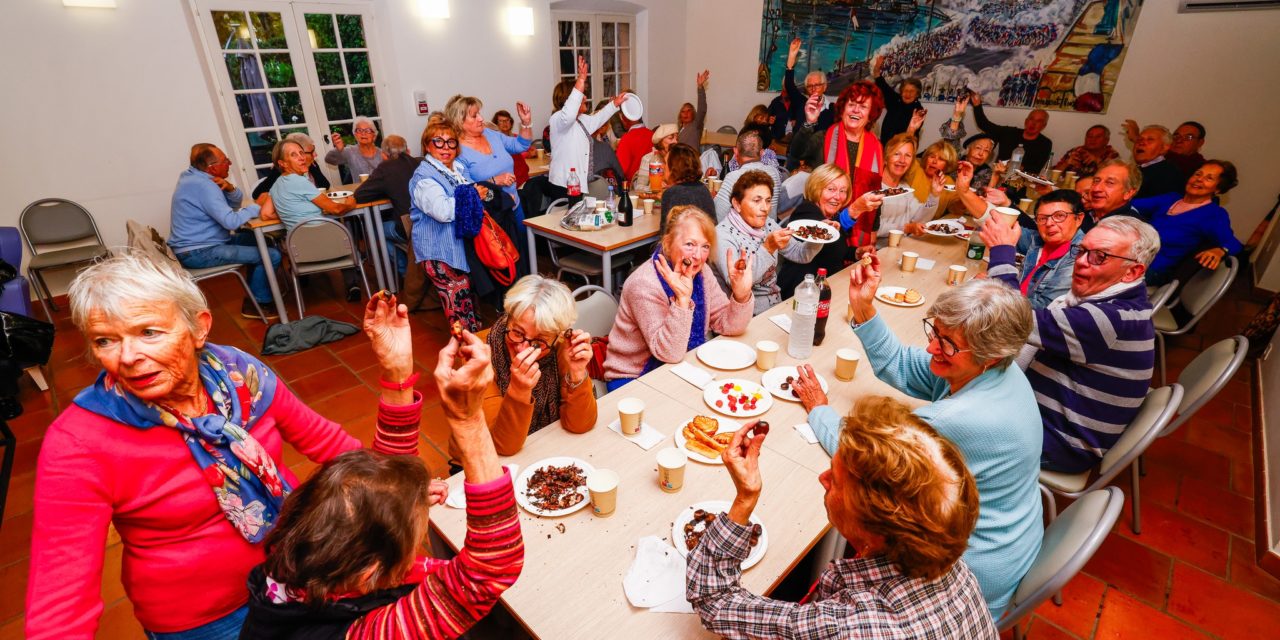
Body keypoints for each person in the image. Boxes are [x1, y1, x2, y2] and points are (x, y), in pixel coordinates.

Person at [25, 253, 426, 640]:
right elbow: (61, 598)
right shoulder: (79, 442)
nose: (128, 357)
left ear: (199, 327)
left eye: (148, 332)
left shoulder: (240, 376)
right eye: (105, 341)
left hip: (298, 577)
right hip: (207, 620)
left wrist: (403, 478)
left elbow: (333, 446)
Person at [241, 328, 524, 639]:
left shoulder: (299, 566)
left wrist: (397, 372)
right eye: (414, 533)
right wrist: (467, 420)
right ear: (370, 574)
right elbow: (489, 569)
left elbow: (379, 486)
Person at [796, 273, 1043, 617]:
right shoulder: (998, 369)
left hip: (970, 573)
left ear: (989, 354)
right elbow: (903, 364)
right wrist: (863, 308)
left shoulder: (958, 419)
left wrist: (819, 408)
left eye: (947, 343)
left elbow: (863, 456)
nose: (931, 348)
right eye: (935, 331)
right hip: (1013, 539)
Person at [686, 397, 997, 639]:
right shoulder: (947, 557)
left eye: (834, 480)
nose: (822, 478)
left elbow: (715, 601)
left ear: (872, 530)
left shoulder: (847, 627)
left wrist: (745, 498)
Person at [982, 215, 1159, 473]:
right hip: (1042, 417)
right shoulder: (1120, 303)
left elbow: (1010, 318)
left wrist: (1001, 250)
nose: (1081, 263)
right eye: (1082, 251)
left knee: (937, 421)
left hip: (1058, 442)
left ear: (1132, 271)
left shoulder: (1110, 321)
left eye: (1100, 257)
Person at [603, 207, 753, 389]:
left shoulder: (702, 272)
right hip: (634, 377)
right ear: (668, 243)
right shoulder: (643, 284)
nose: (697, 256)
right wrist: (682, 301)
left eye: (705, 246)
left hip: (682, 364)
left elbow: (729, 325)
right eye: (689, 244)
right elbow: (668, 353)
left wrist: (741, 295)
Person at [467, 275, 597, 467]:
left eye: (538, 342)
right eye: (517, 333)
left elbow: (580, 425)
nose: (523, 349)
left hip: (549, 451)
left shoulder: (560, 347)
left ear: (556, 337)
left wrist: (577, 373)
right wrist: (519, 390)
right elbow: (503, 446)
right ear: (508, 317)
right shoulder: (479, 354)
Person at [168, 143, 282, 320]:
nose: (229, 163)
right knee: (271, 255)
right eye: (225, 161)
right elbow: (231, 221)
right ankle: (258, 303)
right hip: (199, 251)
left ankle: (261, 290)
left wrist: (230, 188)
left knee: (264, 242)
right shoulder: (204, 186)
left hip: (207, 243)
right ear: (212, 168)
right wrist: (256, 206)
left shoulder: (193, 177)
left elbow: (234, 205)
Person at [409, 120, 490, 332]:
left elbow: (477, 190)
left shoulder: (456, 168)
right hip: (439, 251)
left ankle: (475, 348)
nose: (446, 148)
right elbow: (443, 211)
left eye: (451, 142)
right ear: (427, 145)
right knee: (459, 307)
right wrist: (473, 195)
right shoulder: (424, 177)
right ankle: (468, 351)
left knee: (468, 299)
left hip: (459, 248)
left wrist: (482, 193)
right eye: (439, 142)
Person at [967, 174, 1086, 309]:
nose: (1049, 223)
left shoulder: (1080, 257)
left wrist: (995, 290)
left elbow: (1043, 310)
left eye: (1059, 216)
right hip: (1009, 303)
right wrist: (964, 190)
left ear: (1079, 219)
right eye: (1042, 218)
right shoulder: (1039, 240)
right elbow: (999, 225)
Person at [789, 81, 886, 246]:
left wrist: (873, 231)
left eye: (863, 106)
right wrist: (809, 123)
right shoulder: (823, 138)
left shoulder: (876, 147)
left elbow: (875, 192)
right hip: (822, 226)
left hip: (859, 229)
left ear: (871, 114)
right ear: (843, 109)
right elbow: (796, 153)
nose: (856, 110)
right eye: (852, 104)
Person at [268, 139, 365, 302]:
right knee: (345, 238)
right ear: (283, 163)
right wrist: (351, 202)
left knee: (334, 235)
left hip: (300, 252)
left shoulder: (276, 185)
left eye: (301, 153)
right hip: (329, 247)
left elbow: (265, 213)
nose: (302, 157)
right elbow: (336, 209)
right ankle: (353, 284)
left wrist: (293, 212)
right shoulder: (299, 181)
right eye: (294, 155)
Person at [712, 171, 820, 314]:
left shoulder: (767, 224)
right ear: (737, 204)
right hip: (744, 315)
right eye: (757, 201)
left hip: (775, 307)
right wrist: (768, 248)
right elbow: (738, 283)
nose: (765, 208)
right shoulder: (722, 235)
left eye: (768, 201)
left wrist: (818, 236)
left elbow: (801, 254)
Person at [1133, 160, 1242, 286]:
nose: (1199, 179)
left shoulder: (1213, 214)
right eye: (1197, 174)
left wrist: (1221, 250)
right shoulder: (1171, 198)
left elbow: (1234, 243)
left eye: (1209, 178)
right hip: (1129, 256)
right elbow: (1130, 204)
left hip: (1153, 269)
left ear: (1217, 189)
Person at [353, 135, 429, 309]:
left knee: (376, 229)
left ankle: (402, 275)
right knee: (386, 230)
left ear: (384, 155)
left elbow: (360, 194)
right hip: (428, 222)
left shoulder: (386, 168)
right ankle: (405, 272)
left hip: (409, 226)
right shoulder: (419, 162)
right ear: (407, 150)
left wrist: (385, 190)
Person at [778, 164, 876, 298]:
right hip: (799, 294)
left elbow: (831, 250)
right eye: (831, 189)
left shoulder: (832, 215)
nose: (838, 196)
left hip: (825, 287)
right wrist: (855, 210)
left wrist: (855, 253)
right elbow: (824, 237)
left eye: (843, 191)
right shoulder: (806, 210)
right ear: (816, 188)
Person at [545, 55, 625, 203]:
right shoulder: (558, 119)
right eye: (581, 95)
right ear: (570, 98)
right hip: (563, 184)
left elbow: (598, 119)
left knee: (576, 221)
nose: (585, 97)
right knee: (566, 223)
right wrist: (581, 80)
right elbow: (569, 114)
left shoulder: (581, 120)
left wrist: (615, 104)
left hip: (577, 184)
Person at [449, 94, 533, 227]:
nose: (481, 118)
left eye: (479, 113)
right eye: (474, 115)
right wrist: (494, 181)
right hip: (491, 216)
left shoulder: (490, 134)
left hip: (514, 206)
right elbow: (469, 191)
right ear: (460, 121)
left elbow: (521, 145)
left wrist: (526, 123)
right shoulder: (458, 153)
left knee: (523, 246)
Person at [969, 91, 1053, 174]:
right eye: (1031, 119)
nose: (1033, 124)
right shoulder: (1009, 133)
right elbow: (984, 125)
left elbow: (1037, 169)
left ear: (1043, 126)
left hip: (1022, 181)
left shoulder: (1045, 143)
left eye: (1039, 121)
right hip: (998, 175)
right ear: (1026, 121)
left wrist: (1018, 167)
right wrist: (977, 105)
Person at [877, 133, 940, 237]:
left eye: (908, 155)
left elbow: (919, 219)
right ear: (886, 158)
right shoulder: (874, 187)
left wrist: (934, 195)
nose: (902, 160)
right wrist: (905, 228)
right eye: (897, 154)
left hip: (900, 246)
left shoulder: (905, 188)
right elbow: (873, 228)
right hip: (876, 250)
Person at [714, 130, 783, 221]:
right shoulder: (774, 173)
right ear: (762, 153)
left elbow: (719, 215)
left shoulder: (733, 177)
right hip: (770, 230)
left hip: (743, 233)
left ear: (736, 152)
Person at [252, 132, 331, 199]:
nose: (316, 154)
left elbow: (325, 186)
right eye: (311, 152)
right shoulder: (281, 170)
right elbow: (257, 194)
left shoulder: (311, 164)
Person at [659, 142, 716, 234]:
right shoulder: (703, 189)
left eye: (665, 163)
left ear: (674, 168)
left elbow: (666, 236)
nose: (662, 167)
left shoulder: (672, 194)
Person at [782, 38, 834, 135]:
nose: (813, 88)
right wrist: (792, 56)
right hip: (799, 149)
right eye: (810, 86)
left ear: (825, 87)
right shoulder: (801, 103)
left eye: (817, 85)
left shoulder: (833, 109)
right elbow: (789, 84)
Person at [871, 54, 924, 143]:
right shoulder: (895, 99)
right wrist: (877, 68)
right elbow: (881, 83)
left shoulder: (918, 110)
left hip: (904, 146)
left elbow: (912, 133)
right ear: (901, 91)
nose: (908, 94)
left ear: (917, 94)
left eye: (911, 91)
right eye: (905, 90)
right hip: (885, 145)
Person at [1083, 159, 1144, 232]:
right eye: (1096, 181)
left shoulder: (1130, 229)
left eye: (1110, 183)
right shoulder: (1081, 215)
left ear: (1128, 193)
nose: (1096, 188)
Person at [903, 138, 957, 214]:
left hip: (932, 224)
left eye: (941, 159)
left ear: (947, 165)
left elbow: (955, 208)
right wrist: (911, 130)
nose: (934, 161)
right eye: (932, 156)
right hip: (907, 222)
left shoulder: (948, 181)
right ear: (926, 159)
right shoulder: (915, 169)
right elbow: (905, 153)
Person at [1131, 124, 1184, 199]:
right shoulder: (1134, 170)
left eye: (1150, 139)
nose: (1141, 143)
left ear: (1164, 148)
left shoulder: (1168, 174)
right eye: (1139, 139)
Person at [325, 115, 385, 180]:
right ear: (355, 135)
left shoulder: (383, 153)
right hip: (361, 189)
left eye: (368, 130)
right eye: (359, 130)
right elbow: (329, 159)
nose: (363, 133)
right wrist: (338, 150)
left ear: (374, 136)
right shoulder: (350, 151)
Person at [1054, 124, 1119, 178]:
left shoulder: (1112, 155)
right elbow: (1053, 174)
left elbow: (1112, 178)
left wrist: (1097, 162)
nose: (1092, 139)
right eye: (1089, 136)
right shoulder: (1076, 151)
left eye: (1098, 137)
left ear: (1106, 140)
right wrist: (1066, 163)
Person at [589, 98, 627, 183]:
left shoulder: (609, 134)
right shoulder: (601, 146)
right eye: (601, 125)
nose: (603, 127)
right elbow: (619, 174)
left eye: (605, 124)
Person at [633, 123, 679, 192]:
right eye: (671, 138)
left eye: (677, 138)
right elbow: (639, 187)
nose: (676, 141)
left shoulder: (680, 158)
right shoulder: (648, 159)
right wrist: (653, 187)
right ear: (660, 142)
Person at [492, 109, 532, 188]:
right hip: (508, 180)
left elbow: (532, 150)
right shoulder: (495, 141)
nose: (505, 123)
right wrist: (525, 154)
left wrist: (529, 152)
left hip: (523, 177)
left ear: (511, 122)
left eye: (507, 120)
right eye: (501, 121)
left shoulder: (516, 137)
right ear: (496, 124)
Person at [615, 109, 653, 180]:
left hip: (633, 185)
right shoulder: (652, 134)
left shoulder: (627, 138)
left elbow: (621, 169)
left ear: (624, 119)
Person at [676, 70, 710, 150]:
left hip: (691, 160)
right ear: (680, 115)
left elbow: (702, 109)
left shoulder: (696, 125)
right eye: (683, 112)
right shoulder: (679, 130)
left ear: (693, 113)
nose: (686, 114)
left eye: (689, 111)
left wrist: (700, 87)